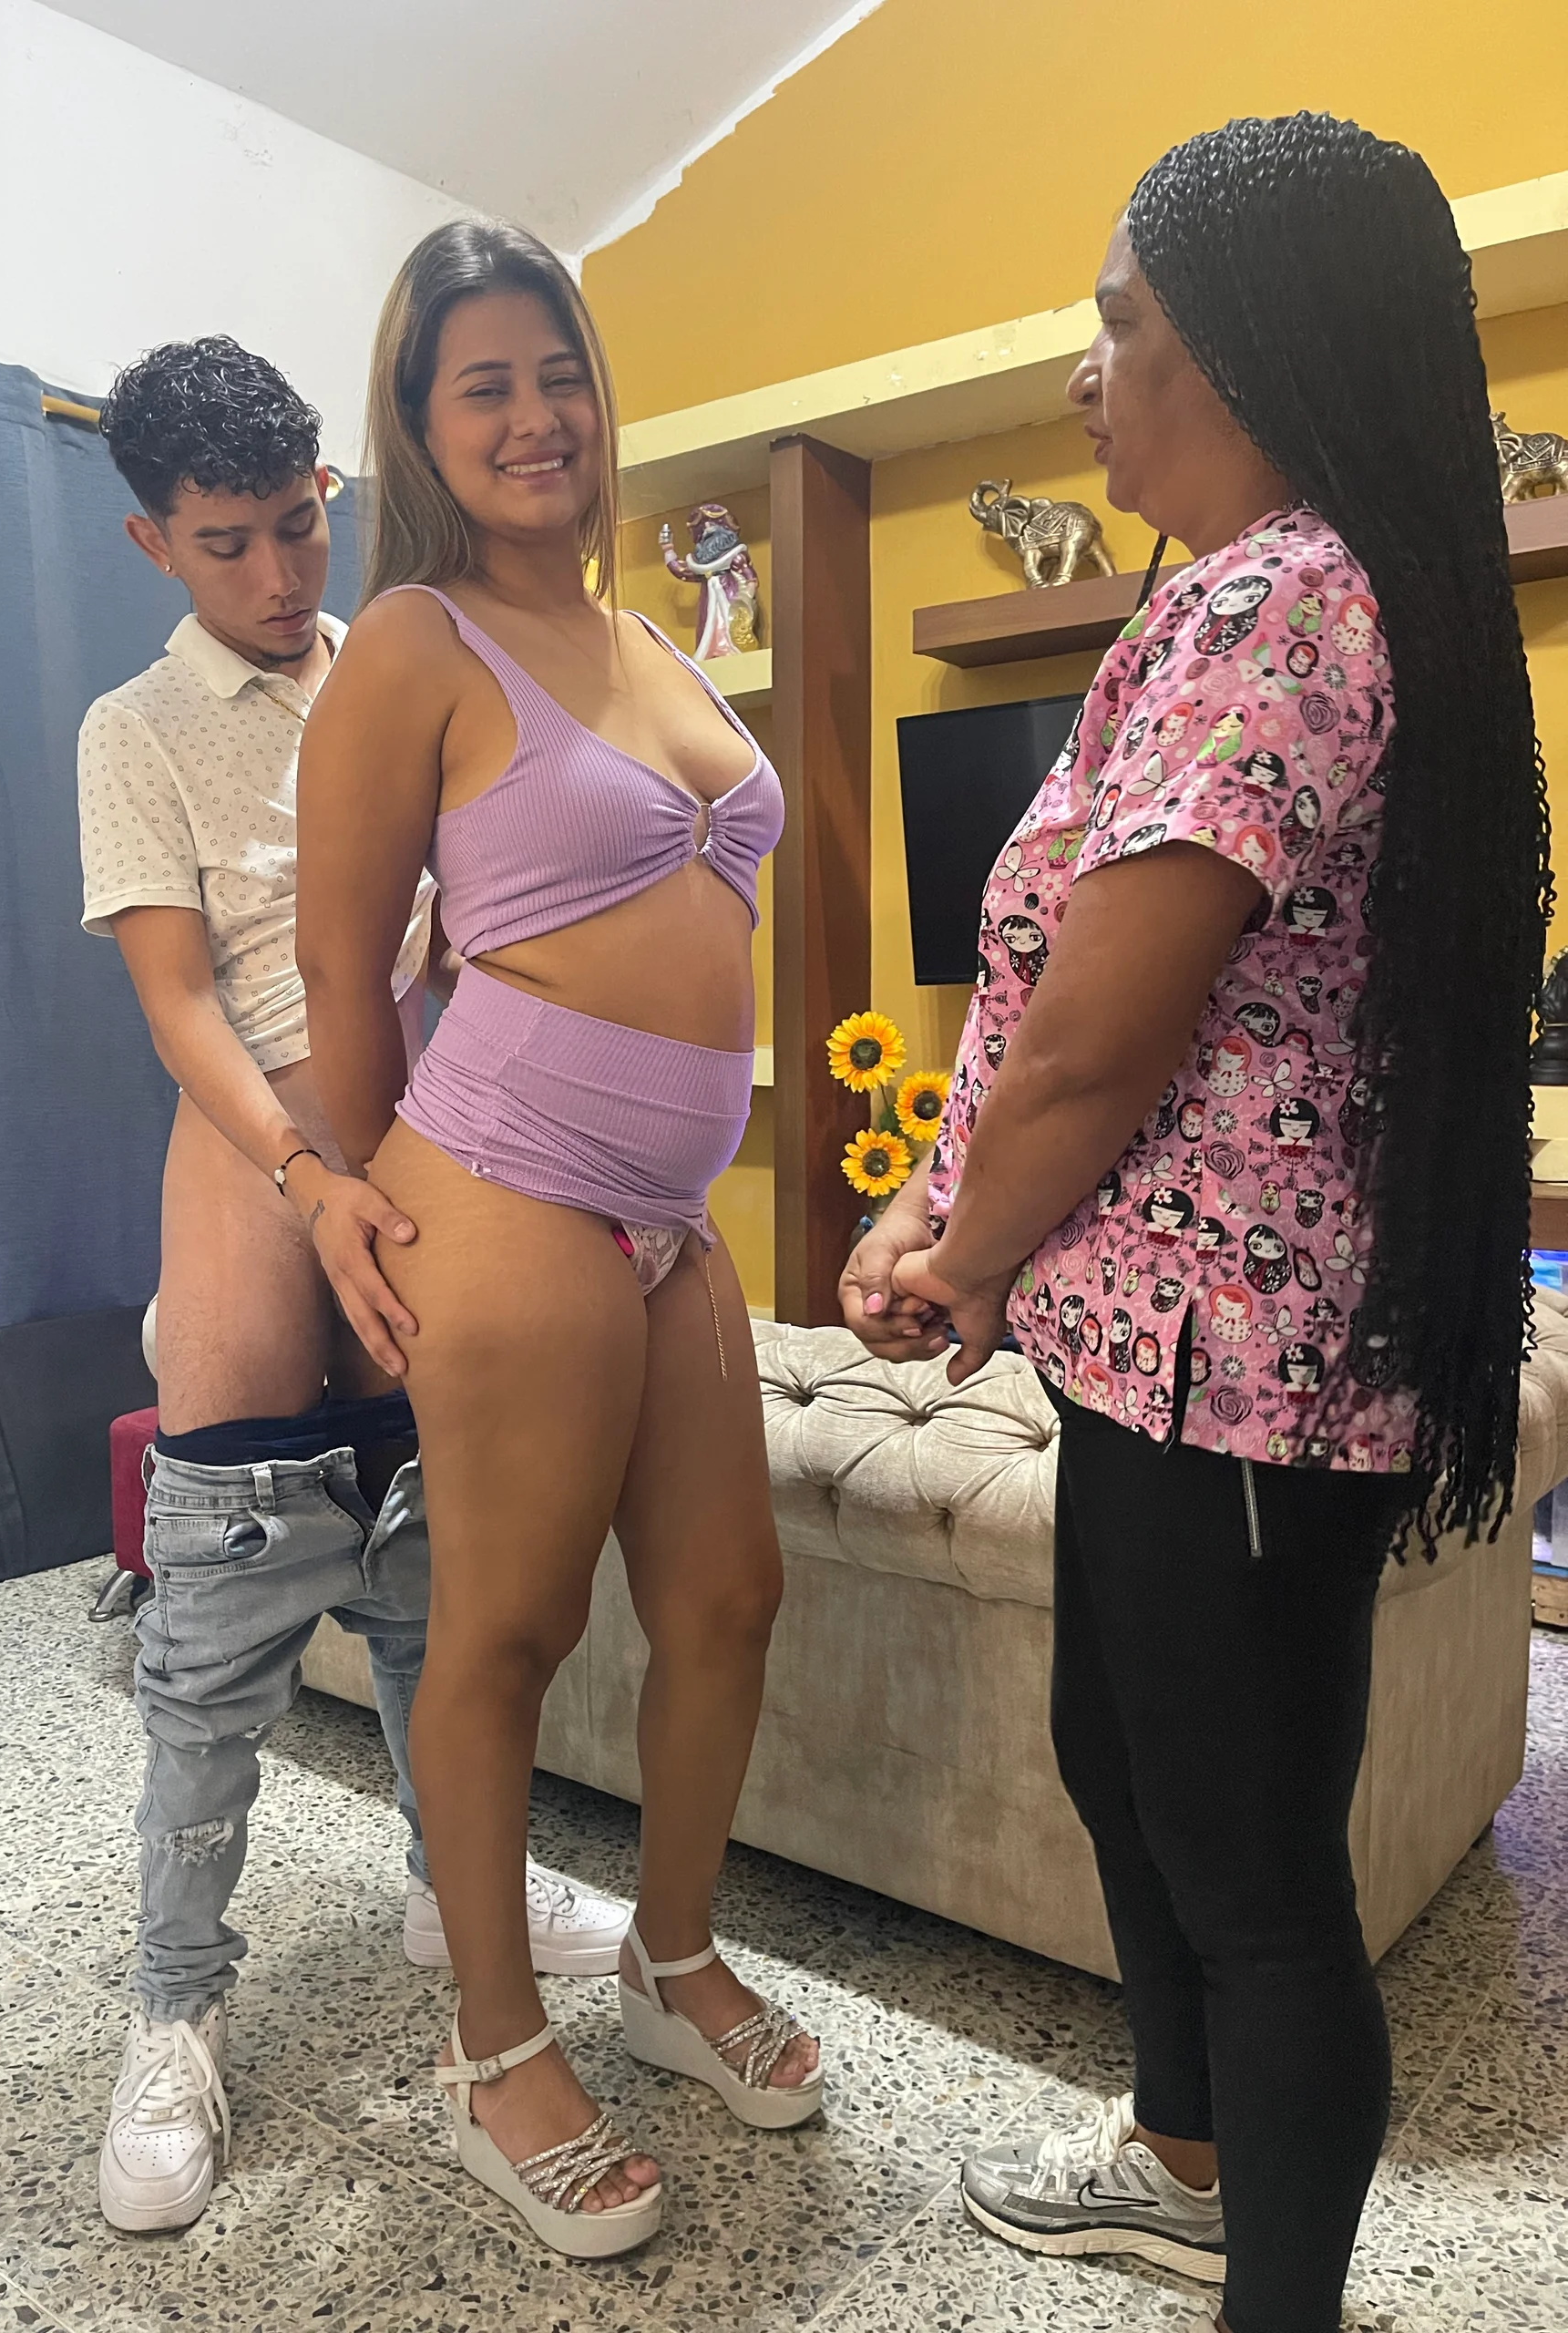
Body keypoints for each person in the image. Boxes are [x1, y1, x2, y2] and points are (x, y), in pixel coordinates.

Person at [842, 114, 1547, 2333]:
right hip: (1170, 1346)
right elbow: (1048, 1016)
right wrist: (949, 1205)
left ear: (1242, 345)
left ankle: (1277, 2294)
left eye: (1117, 321)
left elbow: (1098, 1034)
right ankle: (1181, 2158)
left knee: (1254, 1875)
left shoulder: (1278, 597)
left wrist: (956, 1249)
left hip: (1230, 1367)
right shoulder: (1255, 587)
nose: (1086, 371)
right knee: (1131, 1765)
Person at [295, 219, 823, 2259]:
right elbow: (345, 970)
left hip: (672, 1208)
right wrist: (364, 1198)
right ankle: (493, 2047)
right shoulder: (411, 644)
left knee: (730, 1596)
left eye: (559, 373)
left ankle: (671, 1962)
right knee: (506, 1630)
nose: (536, 416)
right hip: (503, 1173)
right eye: (484, 386)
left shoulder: (656, 643)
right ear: (422, 425)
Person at [77, 336, 629, 2236]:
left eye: (298, 526)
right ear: (155, 541)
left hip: (444, 1144)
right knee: (220, 1627)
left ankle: (447, 1891)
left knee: (435, 1575)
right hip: (261, 1158)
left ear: (333, 490)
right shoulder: (136, 727)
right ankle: (172, 2006)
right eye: (225, 543)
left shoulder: (415, 652)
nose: (275, 573)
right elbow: (175, 998)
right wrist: (308, 1179)